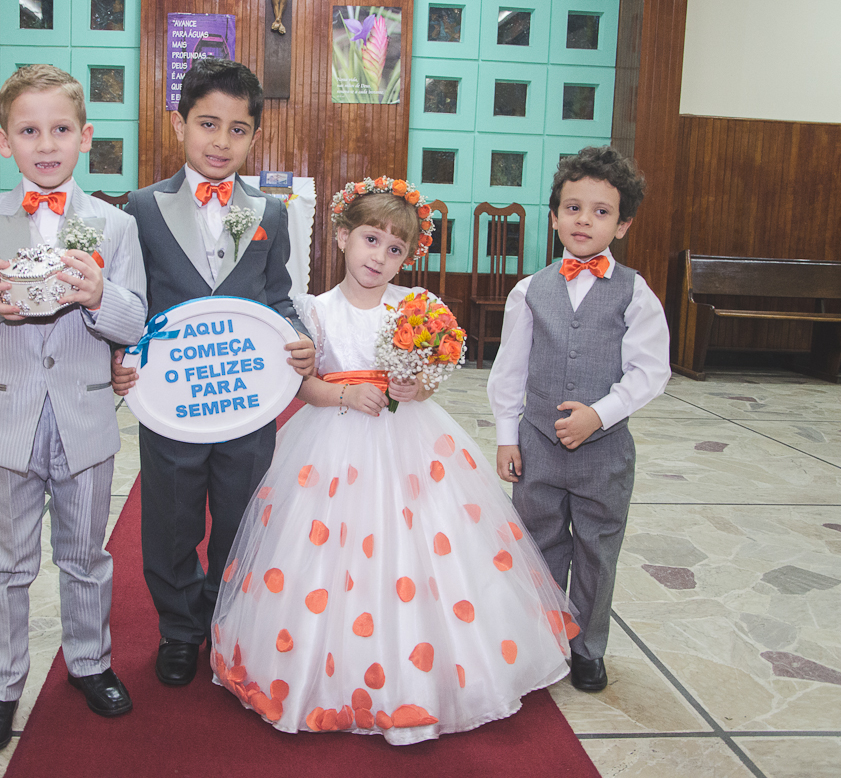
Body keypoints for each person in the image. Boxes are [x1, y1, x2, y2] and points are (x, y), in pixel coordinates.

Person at [208, 176, 577, 745]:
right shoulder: (313, 310)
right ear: (342, 237)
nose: (379, 257)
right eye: (370, 239)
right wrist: (344, 393)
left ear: (408, 257)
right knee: (322, 555)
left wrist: (415, 387)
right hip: (331, 444)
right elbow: (301, 385)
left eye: (395, 249)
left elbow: (430, 377)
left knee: (424, 549)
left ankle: (428, 670)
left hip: (411, 443)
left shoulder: (417, 307)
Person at [0, 64, 147, 754]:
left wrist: (99, 296)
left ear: (85, 137)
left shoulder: (114, 226)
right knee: (3, 563)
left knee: (85, 555)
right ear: (4, 141)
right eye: (29, 131)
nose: (46, 144)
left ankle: (89, 662)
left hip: (85, 418)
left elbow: (136, 319)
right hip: (8, 418)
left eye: (60, 129)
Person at [111, 58, 316, 688]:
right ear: (180, 125)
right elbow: (129, 301)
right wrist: (121, 356)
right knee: (171, 516)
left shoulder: (269, 213)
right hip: (172, 397)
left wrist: (299, 338)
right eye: (207, 124)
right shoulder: (141, 209)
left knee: (241, 513)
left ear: (254, 136)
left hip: (248, 397)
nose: (221, 141)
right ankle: (179, 629)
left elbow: (277, 297)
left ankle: (228, 616)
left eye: (237, 129)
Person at [487, 145, 670, 693]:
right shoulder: (529, 291)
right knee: (539, 544)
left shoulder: (635, 292)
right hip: (538, 447)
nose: (584, 220)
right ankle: (544, 639)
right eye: (573, 208)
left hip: (603, 453)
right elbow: (509, 371)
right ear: (554, 217)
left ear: (623, 225)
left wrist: (600, 414)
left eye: (601, 211)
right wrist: (506, 437)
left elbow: (650, 371)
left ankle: (587, 648)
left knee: (597, 550)